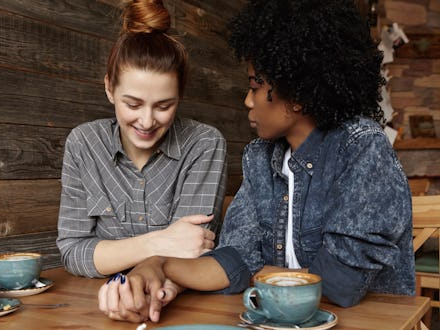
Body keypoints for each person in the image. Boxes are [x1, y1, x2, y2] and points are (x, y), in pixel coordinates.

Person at [98, 0, 416, 323]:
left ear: (299, 95)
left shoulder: (361, 148)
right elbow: (232, 260)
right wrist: (159, 265)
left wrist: (250, 272)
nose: (247, 100)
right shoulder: (259, 158)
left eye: (255, 85)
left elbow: (340, 284)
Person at [56, 0, 227, 279]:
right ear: (110, 88)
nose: (147, 122)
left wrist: (111, 254)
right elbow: (73, 252)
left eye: (163, 106)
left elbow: (191, 249)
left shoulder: (204, 144)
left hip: (178, 300)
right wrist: (157, 242)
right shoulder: (84, 143)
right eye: (133, 105)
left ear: (180, 96)